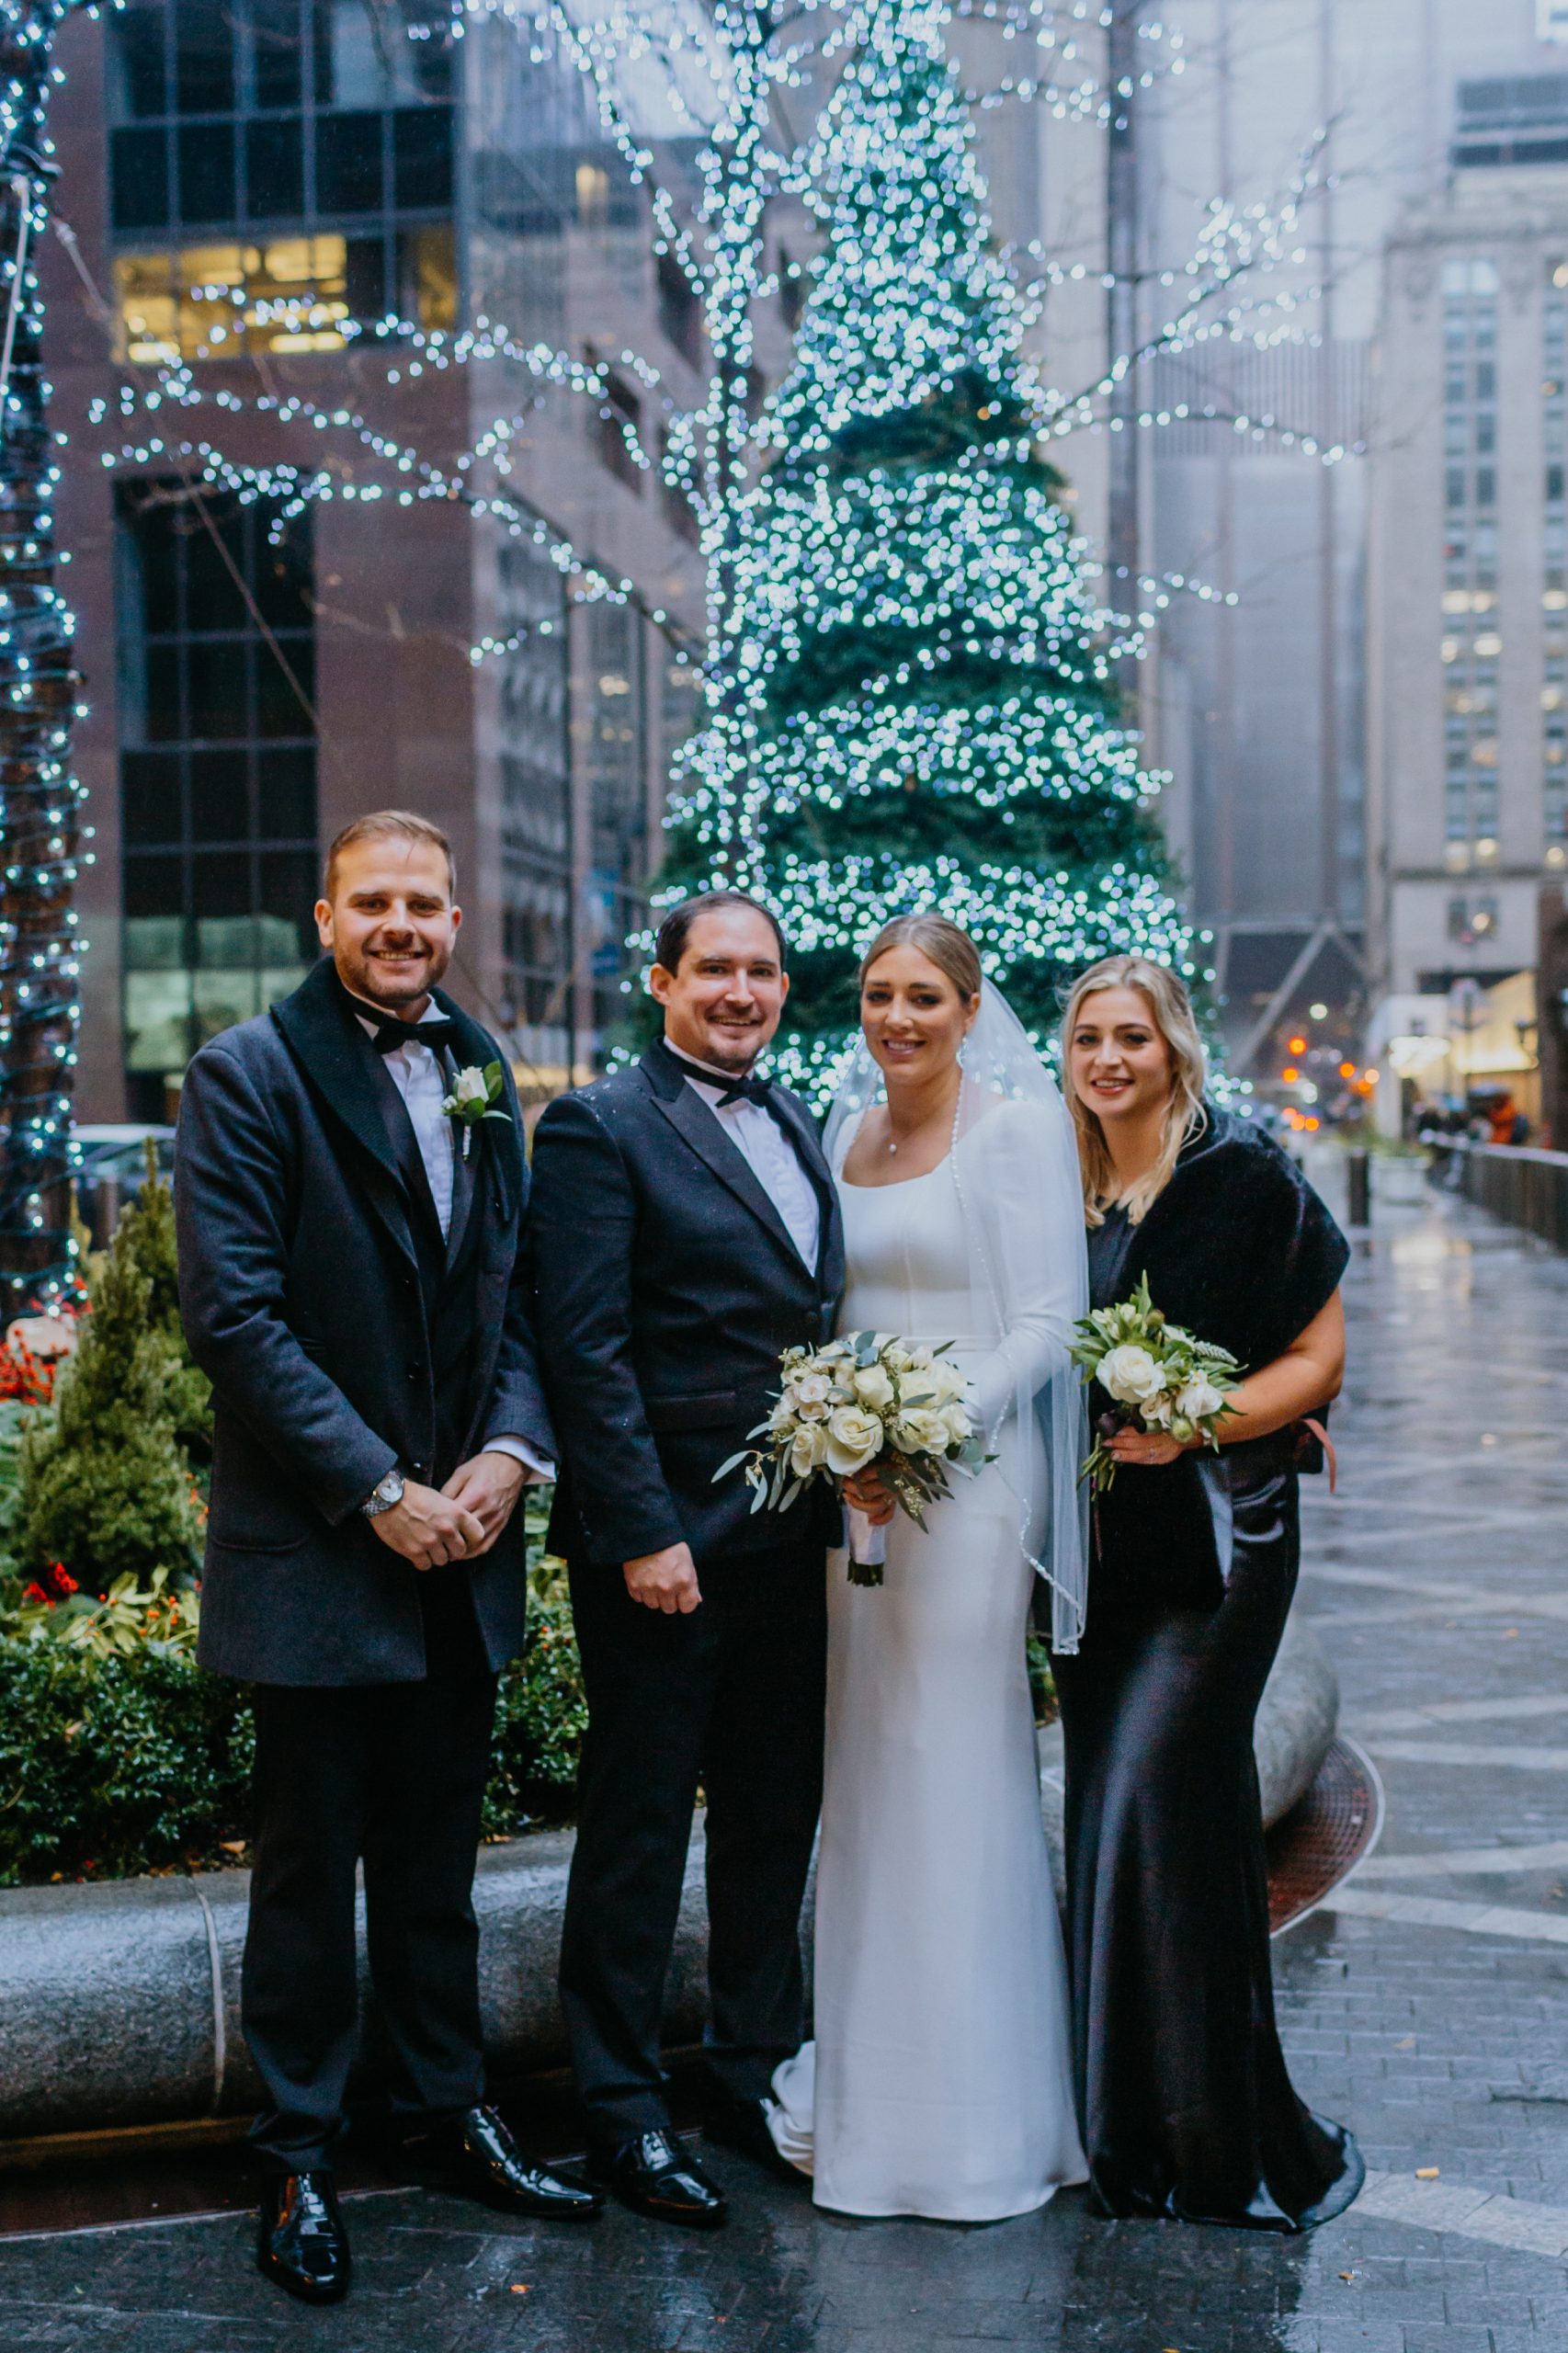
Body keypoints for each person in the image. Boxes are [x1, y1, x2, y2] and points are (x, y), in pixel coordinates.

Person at [175, 812, 600, 2306]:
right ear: (325, 914)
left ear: (456, 917)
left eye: (425, 902)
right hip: (323, 1549)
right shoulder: (249, 1073)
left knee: (436, 1869)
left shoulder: (487, 1073)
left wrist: (502, 1459)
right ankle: (295, 2154)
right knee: (305, 1876)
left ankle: (446, 2105)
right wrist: (378, 1489)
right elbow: (234, 1321)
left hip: (465, 1542)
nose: (402, 923)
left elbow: (520, 1301)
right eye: (376, 902)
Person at [528, 891, 845, 2230]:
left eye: (762, 971)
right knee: (640, 1828)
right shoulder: (599, 1125)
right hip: (665, 1551)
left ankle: (751, 2071)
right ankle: (617, 2109)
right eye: (713, 969)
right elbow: (583, 1348)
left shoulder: (796, 1117)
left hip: (792, 1545)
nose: (740, 991)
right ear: (661, 983)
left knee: (774, 1823)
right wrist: (643, 1531)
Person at [767, 914, 1088, 2221]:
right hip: (861, 1494)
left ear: (967, 1009)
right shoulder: (841, 1135)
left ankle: (980, 2116)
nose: (895, 1019)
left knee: (954, 1764)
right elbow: (830, 1309)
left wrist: (935, 1418)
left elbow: (1049, 1322)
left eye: (922, 998)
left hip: (971, 1487)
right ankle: (872, 2096)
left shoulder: (1011, 1131)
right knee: (871, 1768)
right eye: (877, 996)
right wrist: (842, 1424)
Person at [1052, 952, 1364, 2231]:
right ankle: (1167, 2122)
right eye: (1086, 1037)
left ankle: (1197, 2146)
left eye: (1132, 1035)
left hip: (1222, 1547)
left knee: (1148, 1808)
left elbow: (1322, 1351)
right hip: (1096, 1560)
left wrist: (1201, 1418)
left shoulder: (1238, 1173)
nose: (1108, 1057)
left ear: (1175, 1046)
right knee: (1146, 1827)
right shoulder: (1054, 1189)